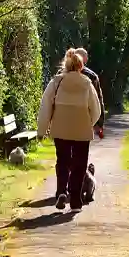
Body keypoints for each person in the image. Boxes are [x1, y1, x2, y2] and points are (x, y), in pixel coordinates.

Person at [37, 48, 102, 211]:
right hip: (81, 130)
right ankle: (75, 200)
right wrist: (90, 123)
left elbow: (45, 106)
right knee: (80, 165)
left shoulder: (56, 81)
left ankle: (61, 192)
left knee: (63, 161)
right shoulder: (87, 83)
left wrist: (42, 129)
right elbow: (96, 109)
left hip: (61, 129)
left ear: (65, 65)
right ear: (81, 67)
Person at [74, 47, 105, 137]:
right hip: (85, 118)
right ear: (83, 58)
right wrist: (99, 123)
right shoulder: (91, 76)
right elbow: (98, 99)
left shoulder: (61, 74)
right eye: (86, 56)